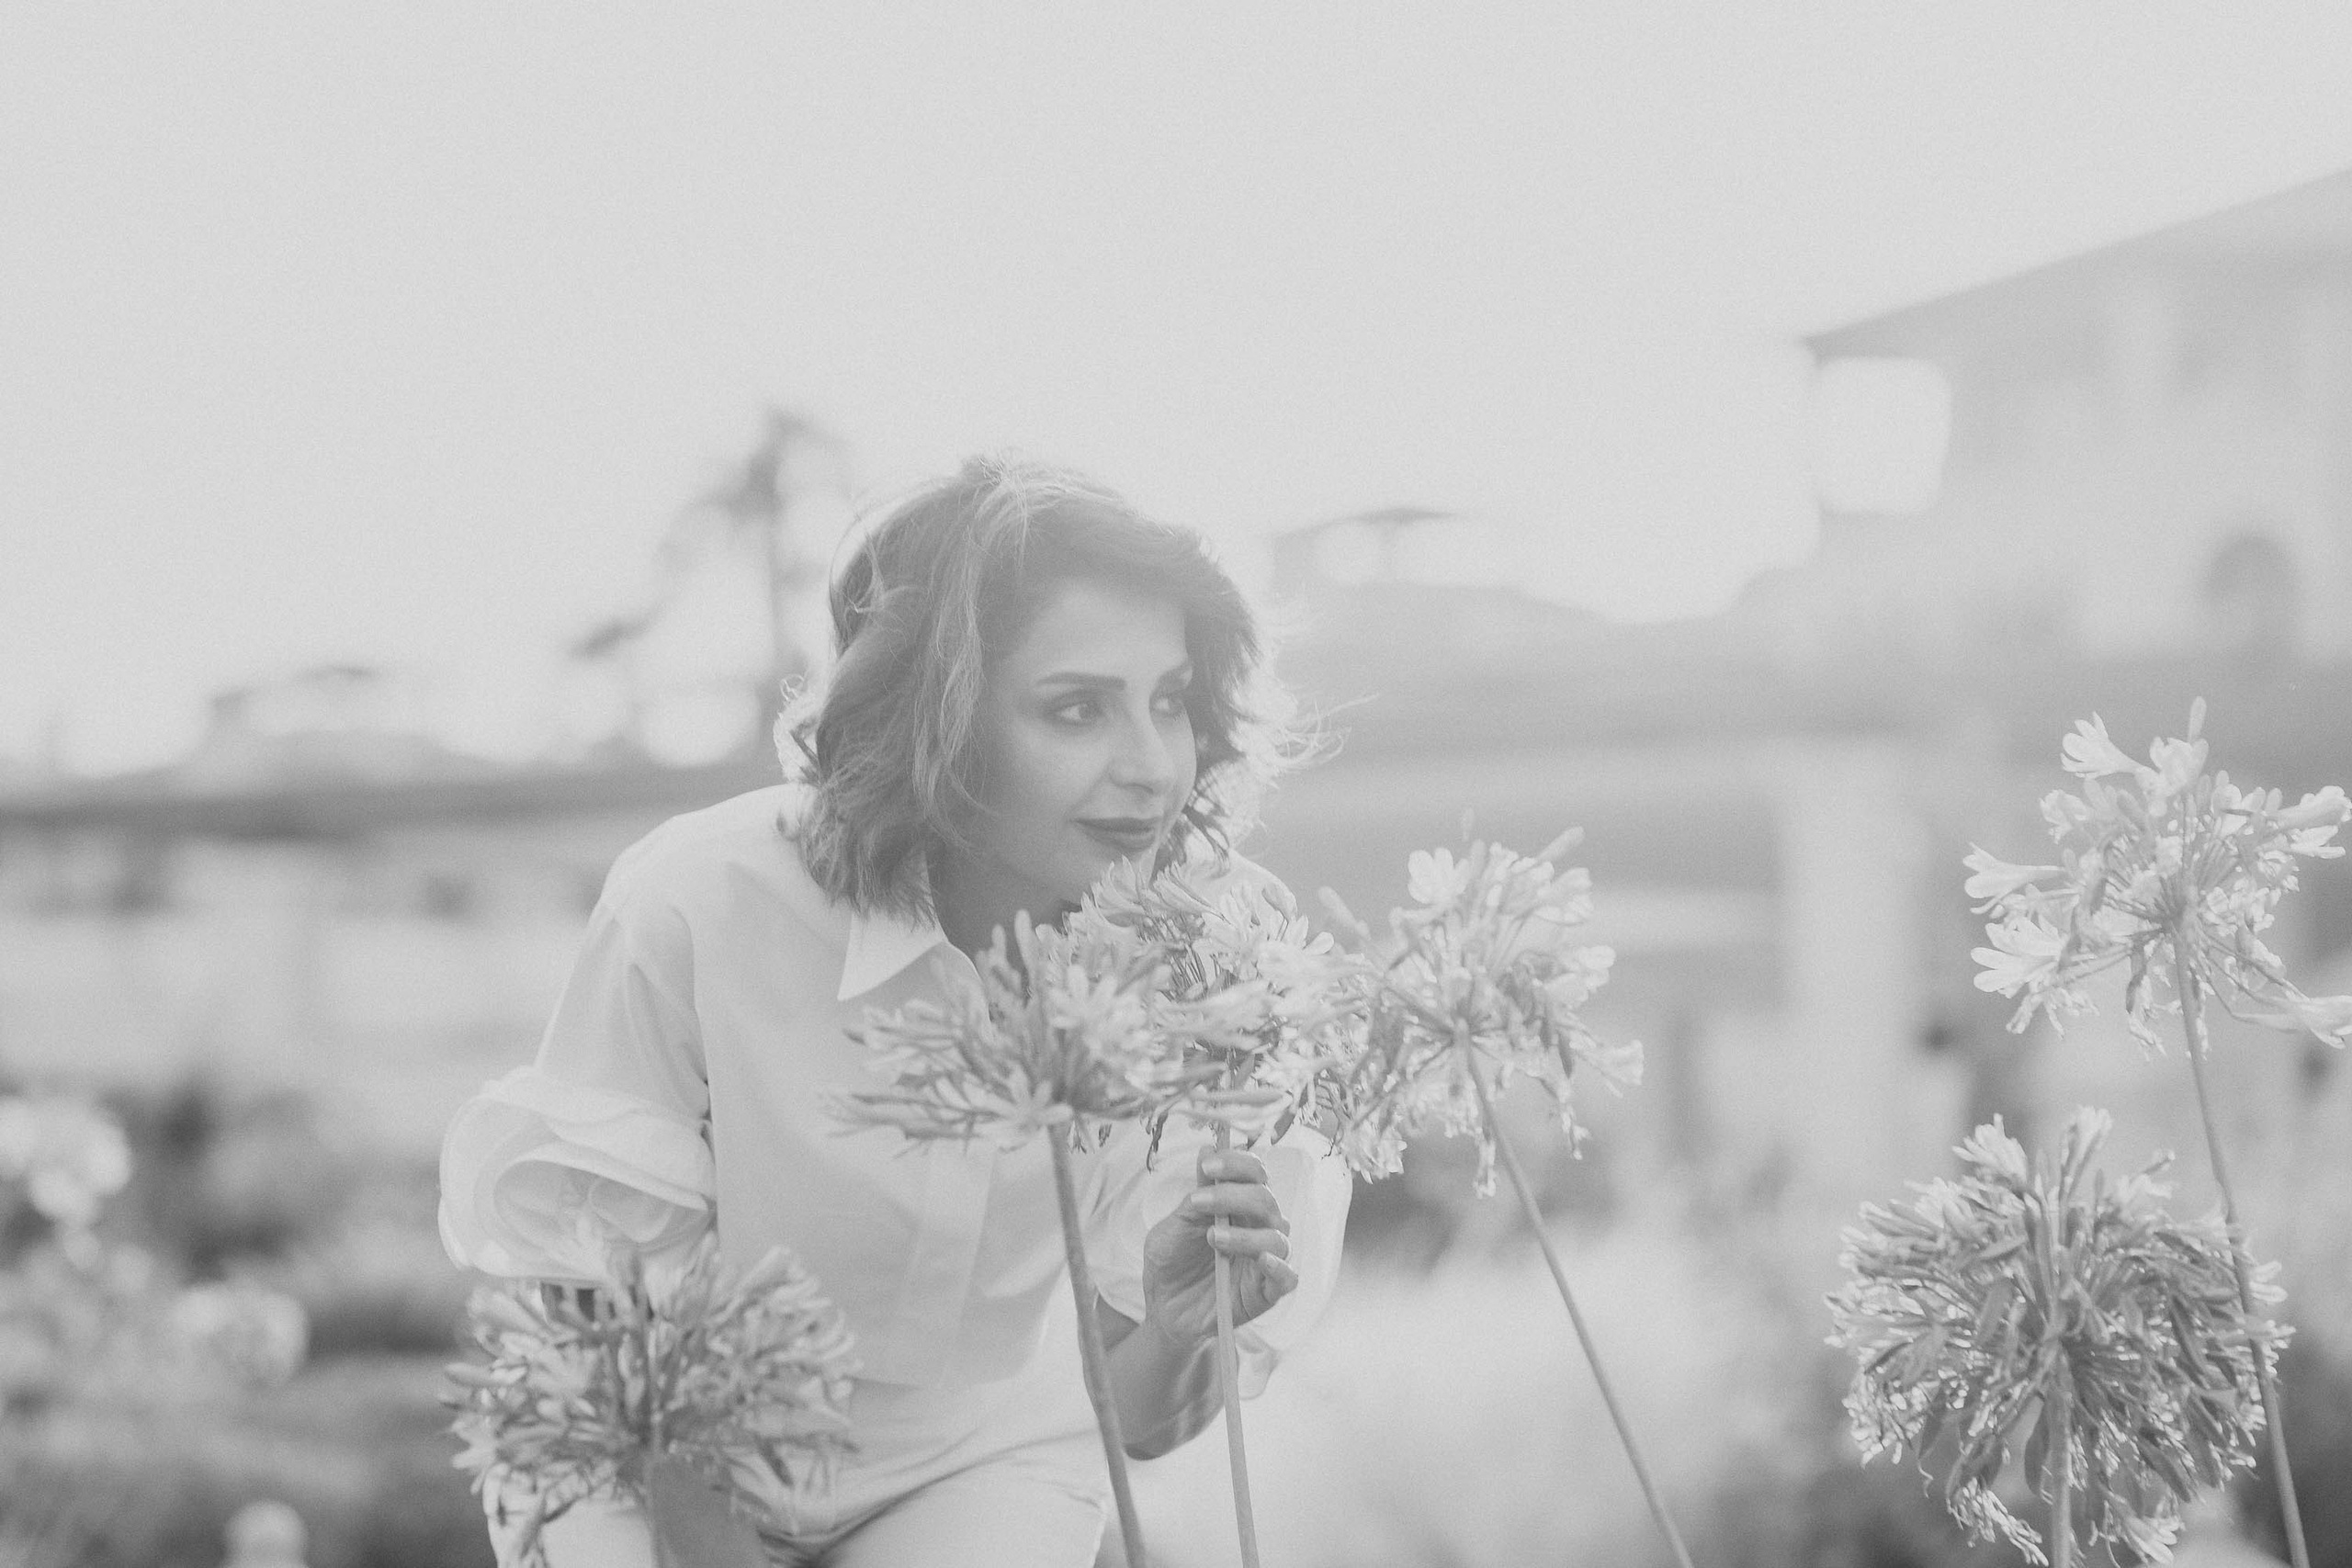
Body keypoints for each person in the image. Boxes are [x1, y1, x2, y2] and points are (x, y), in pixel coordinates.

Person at [438, 457, 1352, 1567]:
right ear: (934, 719)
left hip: (978, 1456)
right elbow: (612, 1336)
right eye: (1076, 709)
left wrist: (1178, 1326)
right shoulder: (696, 904)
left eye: (1170, 701)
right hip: (655, 1452)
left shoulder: (1218, 959)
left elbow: (1146, 1422)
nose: (1153, 767)